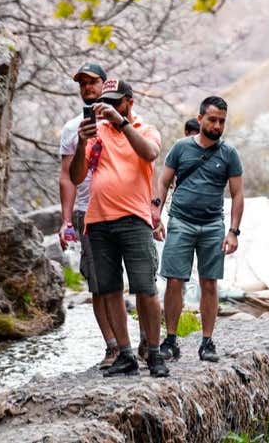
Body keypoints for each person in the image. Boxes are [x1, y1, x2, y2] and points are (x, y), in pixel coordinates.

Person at [70, 79, 169, 378]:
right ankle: (125, 354)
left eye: (116, 102)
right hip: (98, 220)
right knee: (111, 289)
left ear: (129, 102)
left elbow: (150, 154)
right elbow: (76, 176)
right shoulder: (95, 132)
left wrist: (121, 123)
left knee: (145, 288)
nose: (110, 107)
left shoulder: (144, 129)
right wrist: (81, 143)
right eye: (106, 103)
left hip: (134, 218)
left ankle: (153, 353)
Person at [152, 96, 244, 363]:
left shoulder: (229, 154)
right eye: (213, 119)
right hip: (180, 220)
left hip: (213, 224)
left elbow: (237, 195)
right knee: (174, 281)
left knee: (209, 283)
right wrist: (156, 212)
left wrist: (233, 232)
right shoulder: (180, 148)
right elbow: (163, 181)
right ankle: (170, 340)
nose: (217, 125)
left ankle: (207, 341)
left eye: (222, 121)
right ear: (201, 118)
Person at [58, 62, 118, 369]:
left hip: (121, 209)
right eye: (82, 83)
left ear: (105, 85)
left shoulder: (121, 122)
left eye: (92, 82)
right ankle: (112, 346)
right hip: (87, 212)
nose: (87, 88)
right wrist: (66, 220)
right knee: (98, 283)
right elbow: (67, 177)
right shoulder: (71, 129)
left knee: (131, 278)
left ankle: (141, 344)